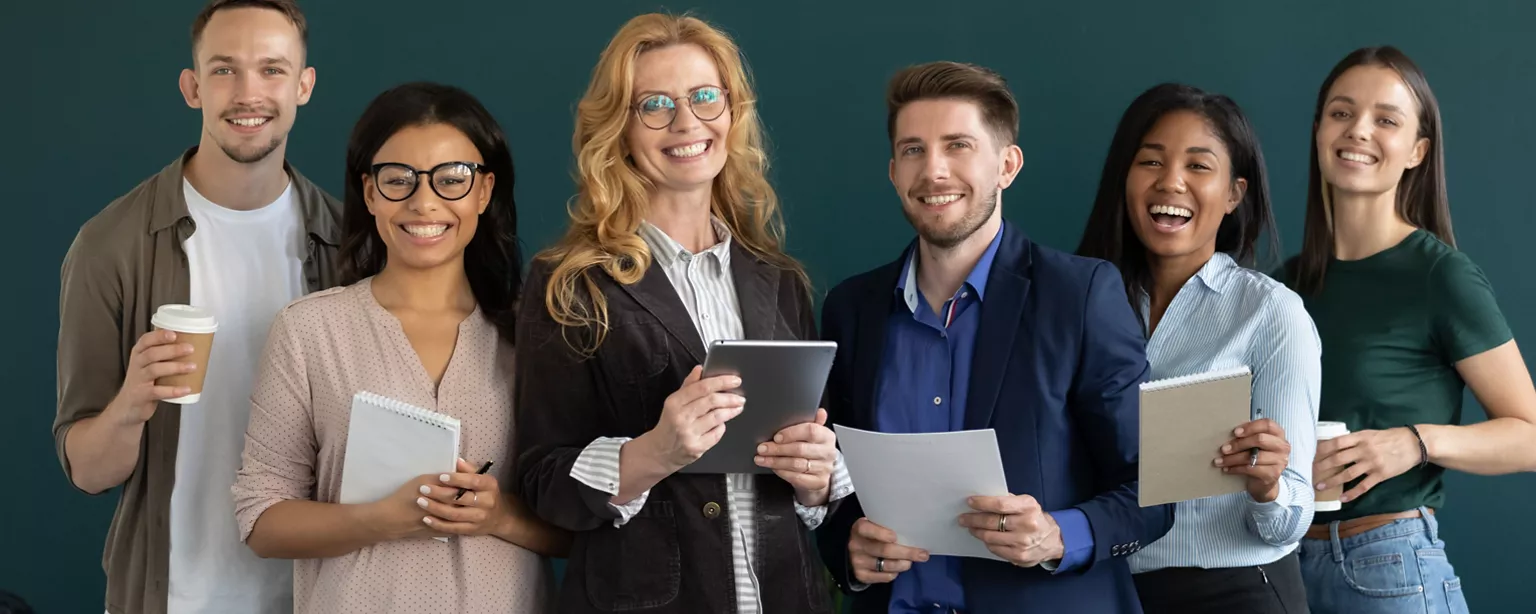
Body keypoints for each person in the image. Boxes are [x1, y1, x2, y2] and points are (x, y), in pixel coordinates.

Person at [512, 13, 851, 614]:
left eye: (703, 97)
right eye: (655, 104)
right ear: (618, 127)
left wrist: (818, 477)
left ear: (731, 110)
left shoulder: (781, 281)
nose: (686, 122)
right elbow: (542, 480)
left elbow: (813, 489)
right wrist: (653, 453)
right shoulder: (569, 282)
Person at [816, 60, 1175, 614]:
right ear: (893, 171)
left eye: (957, 145)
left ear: (1007, 165)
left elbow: (1153, 488)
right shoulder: (851, 309)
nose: (933, 170)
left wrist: (1057, 535)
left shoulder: (1079, 296)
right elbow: (832, 487)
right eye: (913, 150)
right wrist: (847, 550)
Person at [229, 82, 567, 613]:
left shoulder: (537, 333)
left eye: (452, 179)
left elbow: (583, 525)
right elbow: (261, 519)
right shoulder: (309, 330)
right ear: (369, 192)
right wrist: (380, 519)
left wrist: (499, 516)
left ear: (484, 192)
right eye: (398, 180)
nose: (424, 202)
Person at [51, 1, 336, 612]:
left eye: (272, 70)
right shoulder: (110, 246)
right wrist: (130, 405)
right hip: (171, 595)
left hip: (318, 595)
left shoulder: (350, 242)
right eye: (224, 70)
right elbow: (86, 469)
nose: (248, 93)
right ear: (192, 87)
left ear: (304, 86)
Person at [1279, 45, 1536, 614]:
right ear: (1319, 129)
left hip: (1389, 565)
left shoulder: (1440, 275)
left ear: (1417, 151)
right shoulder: (1284, 288)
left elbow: (1532, 434)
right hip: (1281, 570)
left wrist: (1416, 442)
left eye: (1386, 120)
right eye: (1341, 113)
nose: (1358, 131)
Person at [1075, 83, 1320, 613]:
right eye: (1150, 161)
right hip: (1109, 590)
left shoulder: (1271, 313)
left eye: (1198, 166)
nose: (1171, 182)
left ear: (1234, 194)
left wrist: (1269, 485)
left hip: (1235, 590)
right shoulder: (1078, 304)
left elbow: (1293, 516)